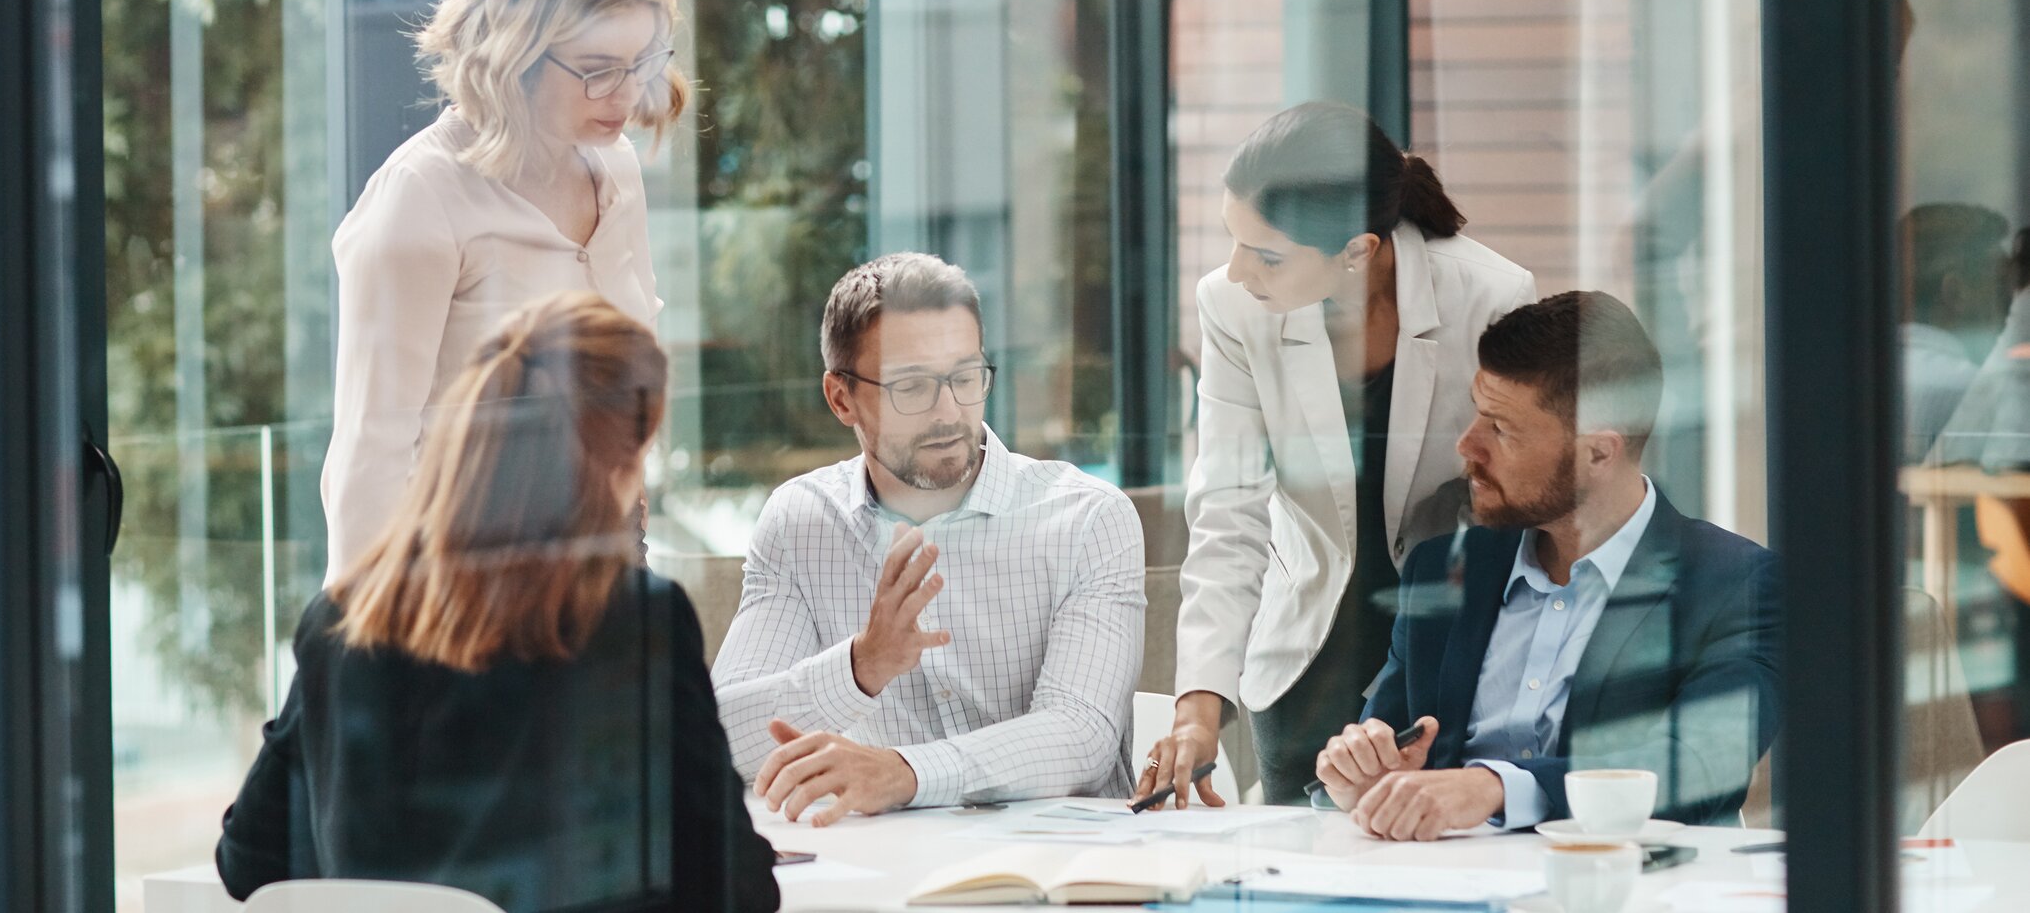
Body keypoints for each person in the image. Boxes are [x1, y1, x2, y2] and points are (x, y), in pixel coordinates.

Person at [218, 293, 777, 911]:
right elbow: (737, 887)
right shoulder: (633, 619)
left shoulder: (345, 617)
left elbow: (249, 860)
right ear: (623, 459)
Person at [1145, 102, 1537, 808]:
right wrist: (1197, 711)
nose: (1235, 272)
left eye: (1264, 255)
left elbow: (1509, 497)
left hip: (1444, 645)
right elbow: (1228, 512)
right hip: (1306, 655)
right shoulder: (1231, 307)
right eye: (1234, 240)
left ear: (1358, 251)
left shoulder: (1491, 295)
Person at [1310, 291, 1777, 840]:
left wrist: (1497, 786)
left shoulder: (1738, 583)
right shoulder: (1441, 567)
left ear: (1599, 453)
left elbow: (1694, 768)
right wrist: (1360, 775)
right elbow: (1389, 738)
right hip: (1443, 882)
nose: (1468, 446)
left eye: (1501, 430)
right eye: (1477, 416)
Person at [709, 253, 1144, 825]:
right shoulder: (801, 524)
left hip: (1066, 878)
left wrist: (904, 773)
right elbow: (722, 741)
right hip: (889, 879)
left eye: (965, 378)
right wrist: (860, 668)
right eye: (911, 387)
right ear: (841, 398)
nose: (948, 412)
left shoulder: (1088, 519)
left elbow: (1081, 738)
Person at [321, 0, 689, 581]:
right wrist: (362, 663)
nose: (629, 94)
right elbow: (370, 456)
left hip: (603, 567)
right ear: (513, 55)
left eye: (642, 63)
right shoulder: (421, 196)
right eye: (598, 69)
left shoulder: (616, 169)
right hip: (469, 586)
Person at [1897, 204, 2012, 462]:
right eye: (2003, 287)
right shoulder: (1977, 392)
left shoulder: (1850, 382)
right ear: (1957, 293)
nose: (2012, 307)